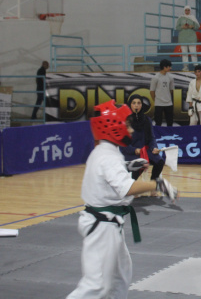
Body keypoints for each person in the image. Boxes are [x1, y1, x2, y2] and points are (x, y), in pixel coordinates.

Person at [67, 100, 177, 299]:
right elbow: (127, 189)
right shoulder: (107, 157)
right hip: (102, 226)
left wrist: (128, 167)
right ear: (113, 127)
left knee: (120, 277)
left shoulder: (107, 151)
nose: (130, 129)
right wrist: (157, 184)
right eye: (126, 125)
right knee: (95, 286)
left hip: (108, 223)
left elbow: (109, 176)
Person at [120, 94, 165, 182]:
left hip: (145, 151)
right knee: (138, 165)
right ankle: (131, 185)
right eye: (134, 103)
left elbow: (151, 138)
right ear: (130, 105)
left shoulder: (147, 120)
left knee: (159, 161)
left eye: (139, 103)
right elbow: (123, 143)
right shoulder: (126, 120)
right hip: (131, 152)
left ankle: (153, 184)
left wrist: (154, 148)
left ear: (141, 105)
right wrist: (134, 150)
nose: (136, 105)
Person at [150, 59, 174, 127]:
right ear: (164, 67)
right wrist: (156, 100)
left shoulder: (170, 77)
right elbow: (152, 91)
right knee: (158, 122)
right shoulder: (155, 78)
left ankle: (170, 133)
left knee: (170, 122)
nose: (170, 68)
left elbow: (171, 90)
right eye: (169, 67)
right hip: (159, 103)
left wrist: (167, 96)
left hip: (168, 103)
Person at [176, 5, 200, 71]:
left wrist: (192, 26)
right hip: (183, 38)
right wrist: (182, 27)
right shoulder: (181, 18)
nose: (187, 11)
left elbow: (197, 27)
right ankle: (185, 66)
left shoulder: (193, 17)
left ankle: (196, 66)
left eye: (188, 10)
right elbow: (177, 27)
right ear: (184, 11)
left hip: (191, 38)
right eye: (186, 10)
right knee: (184, 53)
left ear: (190, 11)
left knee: (193, 52)